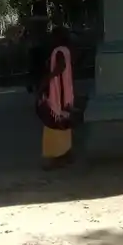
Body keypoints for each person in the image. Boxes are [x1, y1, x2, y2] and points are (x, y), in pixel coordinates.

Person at [35, 26, 76, 170]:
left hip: (58, 94)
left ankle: (55, 157)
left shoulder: (58, 51)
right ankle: (66, 154)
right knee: (64, 123)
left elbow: (60, 67)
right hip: (66, 93)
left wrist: (46, 81)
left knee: (52, 124)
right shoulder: (67, 50)